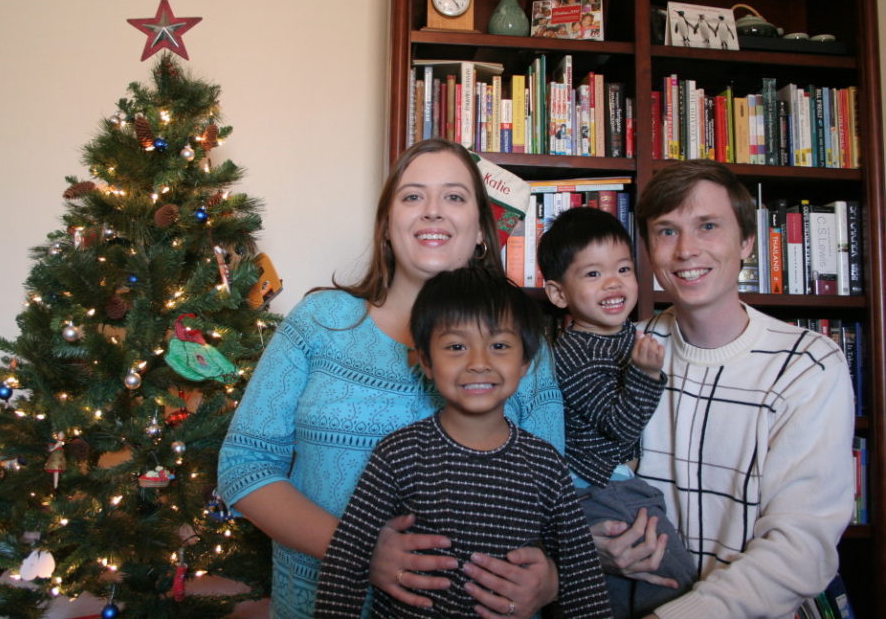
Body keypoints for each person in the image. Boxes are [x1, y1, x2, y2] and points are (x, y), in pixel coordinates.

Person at [217, 138, 565, 618]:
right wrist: (353, 547)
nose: (433, 212)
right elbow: (244, 465)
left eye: (455, 196)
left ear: (483, 231)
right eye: (413, 196)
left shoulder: (524, 346)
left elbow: (554, 501)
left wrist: (548, 580)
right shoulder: (320, 322)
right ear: (386, 226)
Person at [592, 159, 855, 618]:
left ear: (747, 242)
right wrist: (587, 541)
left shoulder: (809, 365)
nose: (686, 250)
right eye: (667, 231)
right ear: (649, 250)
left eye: (708, 226)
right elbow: (566, 482)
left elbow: (800, 549)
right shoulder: (617, 351)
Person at [314, 266, 612, 618]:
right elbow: (347, 558)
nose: (478, 363)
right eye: (456, 346)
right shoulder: (399, 453)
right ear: (424, 359)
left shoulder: (544, 464)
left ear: (526, 363)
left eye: (499, 345)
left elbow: (582, 576)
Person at [537, 206, 696, 618]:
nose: (613, 283)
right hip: (593, 483)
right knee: (672, 573)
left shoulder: (625, 332)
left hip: (617, 478)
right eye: (592, 274)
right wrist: (645, 374)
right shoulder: (574, 353)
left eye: (623, 269)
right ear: (558, 294)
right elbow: (620, 427)